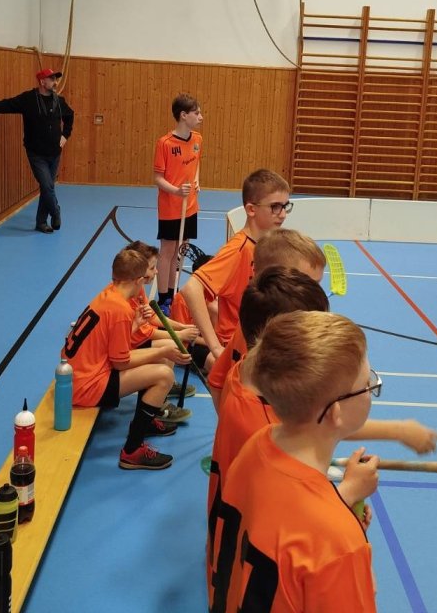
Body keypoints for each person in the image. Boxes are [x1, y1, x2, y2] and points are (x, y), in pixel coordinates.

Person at [208, 267, 437, 521]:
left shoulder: (244, 370)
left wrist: (398, 431)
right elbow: (292, 519)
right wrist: (346, 497)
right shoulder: (265, 428)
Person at [208, 311, 381, 612]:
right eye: (368, 384)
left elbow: (277, 524)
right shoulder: (338, 543)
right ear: (335, 412)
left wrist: (341, 502)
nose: (371, 389)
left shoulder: (256, 444)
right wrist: (346, 531)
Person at [61, 248, 191, 470]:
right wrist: (162, 352)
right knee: (163, 375)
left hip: (78, 374)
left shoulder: (110, 295)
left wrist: (141, 332)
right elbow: (121, 362)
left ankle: (145, 422)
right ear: (139, 280)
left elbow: (115, 349)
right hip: (86, 386)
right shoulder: (120, 309)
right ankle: (132, 451)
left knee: (159, 361)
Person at [179, 168, 291, 379]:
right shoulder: (238, 250)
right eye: (275, 207)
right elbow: (191, 288)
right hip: (239, 349)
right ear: (251, 209)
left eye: (285, 206)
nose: (283, 214)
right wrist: (215, 347)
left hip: (260, 344)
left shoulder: (266, 246)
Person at [204, 228, 326, 400]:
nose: (317, 292)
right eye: (309, 284)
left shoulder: (246, 325)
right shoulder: (281, 341)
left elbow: (216, 379)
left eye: (318, 284)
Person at [0, 68, 74, 233]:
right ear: (42, 82)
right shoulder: (28, 99)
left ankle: (41, 222)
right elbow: (8, 104)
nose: (55, 82)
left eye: (55, 79)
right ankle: (56, 211)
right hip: (36, 153)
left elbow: (70, 116)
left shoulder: (59, 101)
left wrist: (65, 135)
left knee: (47, 188)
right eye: (52, 79)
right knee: (46, 185)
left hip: (55, 153)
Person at [123, 240, 198, 403]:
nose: (157, 271)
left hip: (134, 341)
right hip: (127, 347)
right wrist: (180, 334)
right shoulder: (124, 299)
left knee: (171, 346)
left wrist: (181, 327)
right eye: (152, 268)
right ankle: (159, 393)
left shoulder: (137, 288)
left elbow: (152, 318)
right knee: (169, 349)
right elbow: (146, 333)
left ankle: (163, 390)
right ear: (139, 270)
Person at [153, 93, 203, 309]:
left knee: (181, 249)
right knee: (168, 251)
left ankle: (173, 293)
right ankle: (163, 298)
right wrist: (176, 191)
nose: (201, 117)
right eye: (197, 113)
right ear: (183, 115)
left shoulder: (197, 139)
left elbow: (195, 165)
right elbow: (157, 178)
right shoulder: (165, 143)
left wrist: (196, 180)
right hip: (170, 207)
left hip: (190, 206)